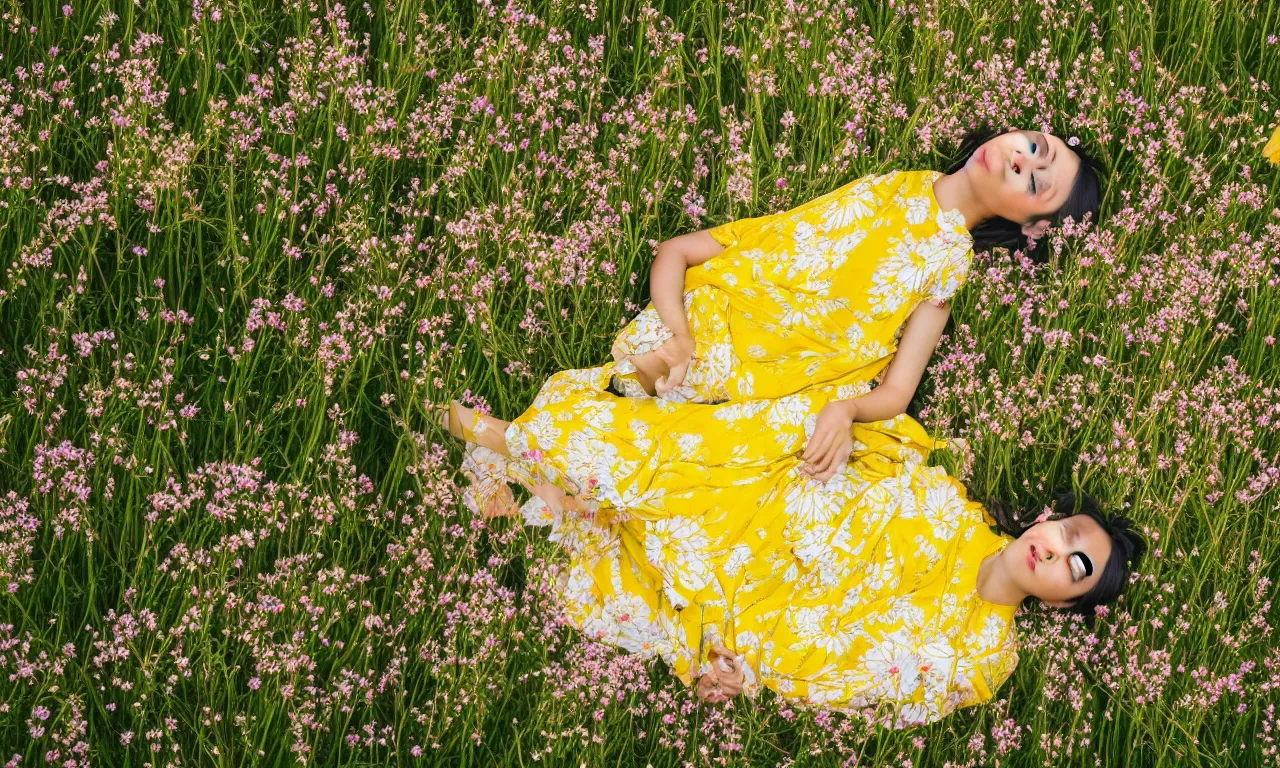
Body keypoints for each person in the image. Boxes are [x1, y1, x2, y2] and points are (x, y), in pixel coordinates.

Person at [437, 376, 1145, 728]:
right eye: (1068, 537)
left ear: (1064, 605)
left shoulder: (985, 657)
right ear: (1050, 521)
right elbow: (861, 459)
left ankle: (497, 449)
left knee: (650, 545)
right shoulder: (956, 505)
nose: (1056, 556)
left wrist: (749, 668)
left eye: (1075, 572)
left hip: (773, 598)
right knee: (667, 472)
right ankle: (501, 442)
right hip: (772, 505)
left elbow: (861, 683)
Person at [606, 126, 1102, 481]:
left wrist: (845, 410)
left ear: (1031, 229)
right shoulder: (894, 183)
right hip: (734, 307)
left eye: (1035, 181)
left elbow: (898, 391)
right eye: (1036, 148)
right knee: (656, 364)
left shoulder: (950, 262)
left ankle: (651, 407)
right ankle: (654, 383)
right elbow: (777, 241)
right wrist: (682, 332)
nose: (1021, 160)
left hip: (790, 367)